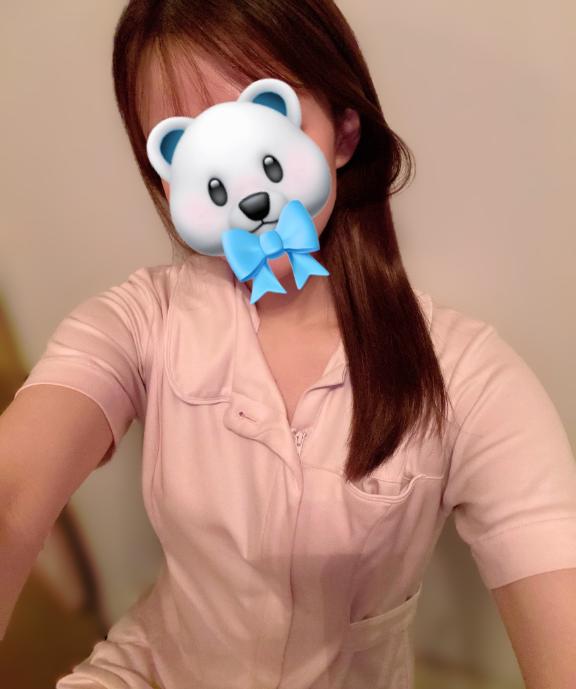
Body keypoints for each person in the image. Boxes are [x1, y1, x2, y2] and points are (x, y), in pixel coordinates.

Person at [2, 1, 576, 687]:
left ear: (343, 134)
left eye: (262, 128)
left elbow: (551, 567)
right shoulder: (138, 319)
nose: (243, 184)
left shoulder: (466, 373)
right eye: (199, 151)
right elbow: (14, 491)